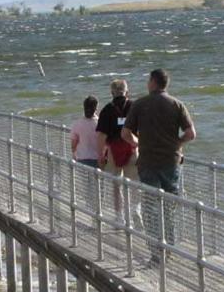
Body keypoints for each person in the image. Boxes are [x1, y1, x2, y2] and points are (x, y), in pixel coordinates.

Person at [122, 68, 196, 261]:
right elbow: (191, 134)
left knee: (150, 206)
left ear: (153, 82)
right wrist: (177, 143)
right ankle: (169, 247)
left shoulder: (140, 104)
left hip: (148, 162)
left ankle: (156, 251)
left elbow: (125, 133)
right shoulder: (177, 104)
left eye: (148, 80)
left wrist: (138, 142)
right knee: (168, 207)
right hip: (171, 161)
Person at [96, 79, 138, 221]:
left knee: (116, 185)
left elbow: (101, 135)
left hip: (113, 150)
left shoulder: (107, 110)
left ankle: (119, 216)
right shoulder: (134, 106)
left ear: (111, 92)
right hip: (132, 149)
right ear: (127, 91)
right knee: (133, 183)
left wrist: (101, 155)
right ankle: (133, 211)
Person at [70, 96, 101, 168]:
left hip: (81, 158)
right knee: (96, 178)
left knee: (83, 179)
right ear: (96, 108)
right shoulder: (100, 123)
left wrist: (74, 154)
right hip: (96, 159)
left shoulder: (77, 123)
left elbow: (73, 144)